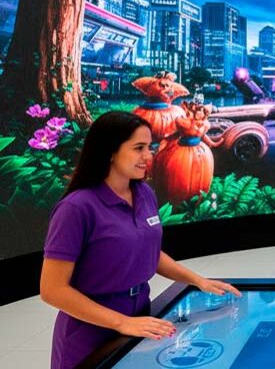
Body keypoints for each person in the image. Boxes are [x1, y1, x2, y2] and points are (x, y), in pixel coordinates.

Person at [40, 111, 240, 369]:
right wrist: (122, 322)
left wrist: (198, 281)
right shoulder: (76, 208)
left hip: (140, 316)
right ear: (110, 152)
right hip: (90, 331)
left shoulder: (144, 193)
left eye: (149, 147)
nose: (148, 156)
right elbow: (53, 290)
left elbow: (149, 253)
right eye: (138, 148)